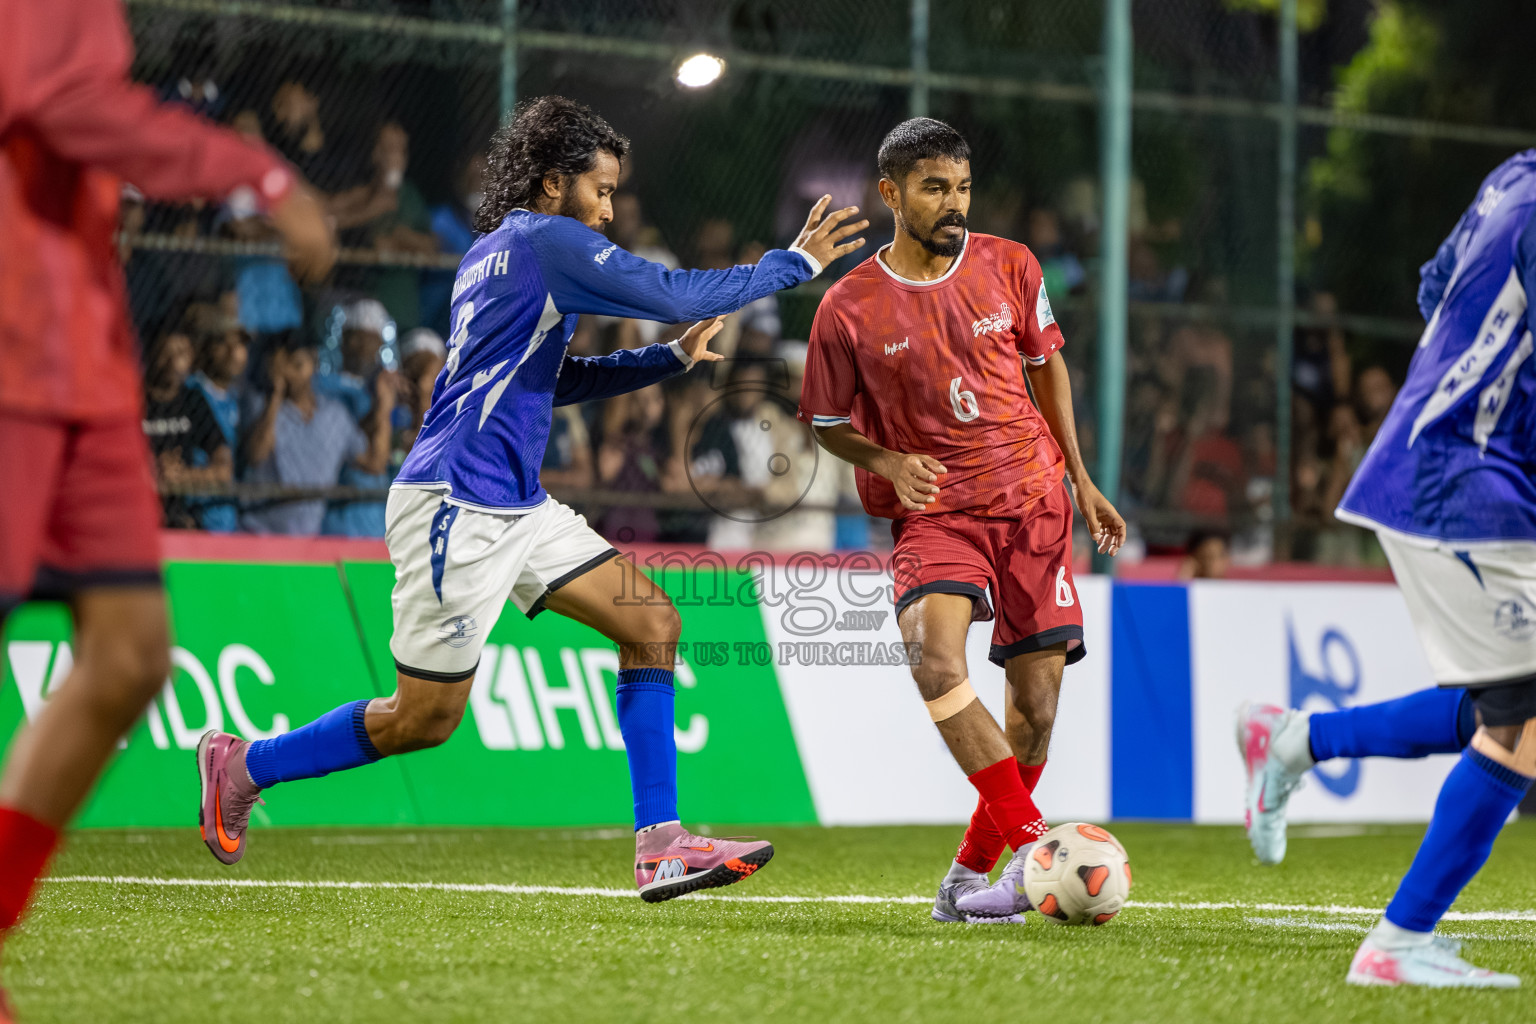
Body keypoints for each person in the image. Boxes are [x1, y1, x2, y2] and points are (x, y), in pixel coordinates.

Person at [194, 94, 864, 902]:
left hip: (515, 501)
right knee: (423, 720)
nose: (609, 210)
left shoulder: (497, 252)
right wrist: (791, 264)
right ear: (552, 184)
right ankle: (244, 764)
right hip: (458, 506)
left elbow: (548, 381)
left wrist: (669, 363)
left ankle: (661, 845)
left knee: (652, 621)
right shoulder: (551, 242)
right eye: (601, 191)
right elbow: (676, 291)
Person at [0, 0, 335, 1017]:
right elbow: (60, 105)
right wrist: (255, 171)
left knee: (135, 650)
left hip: (84, 355)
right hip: (12, 335)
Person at [796, 118, 1125, 926]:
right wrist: (886, 463)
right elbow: (825, 421)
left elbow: (1048, 369)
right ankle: (1034, 848)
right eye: (936, 188)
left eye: (963, 187)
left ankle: (968, 876)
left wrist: (1082, 479)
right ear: (892, 193)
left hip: (1034, 502)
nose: (954, 204)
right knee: (934, 660)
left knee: (1037, 713)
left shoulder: (1011, 264)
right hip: (936, 510)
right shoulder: (846, 307)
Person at [1238, 149, 1536, 988]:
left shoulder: (1514, 177)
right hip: (1465, 480)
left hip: (1471, 468)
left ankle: (1298, 739)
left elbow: (1433, 287)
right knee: (1523, 714)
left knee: (1501, 703)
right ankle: (1397, 943)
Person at [240, 334, 393, 536]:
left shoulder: (336, 416)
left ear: (314, 363)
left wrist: (384, 408)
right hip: (258, 534)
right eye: (279, 367)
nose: (287, 374)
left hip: (308, 540)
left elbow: (374, 463)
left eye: (296, 365)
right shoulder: (260, 406)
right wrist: (275, 394)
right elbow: (256, 455)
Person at [141, 327, 232, 530]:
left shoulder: (192, 400)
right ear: (150, 353)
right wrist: (149, 470)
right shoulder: (132, 398)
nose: (173, 362)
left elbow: (224, 468)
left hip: (180, 516)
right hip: (136, 511)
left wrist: (180, 477)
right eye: (164, 352)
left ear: (192, 356)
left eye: (181, 353)